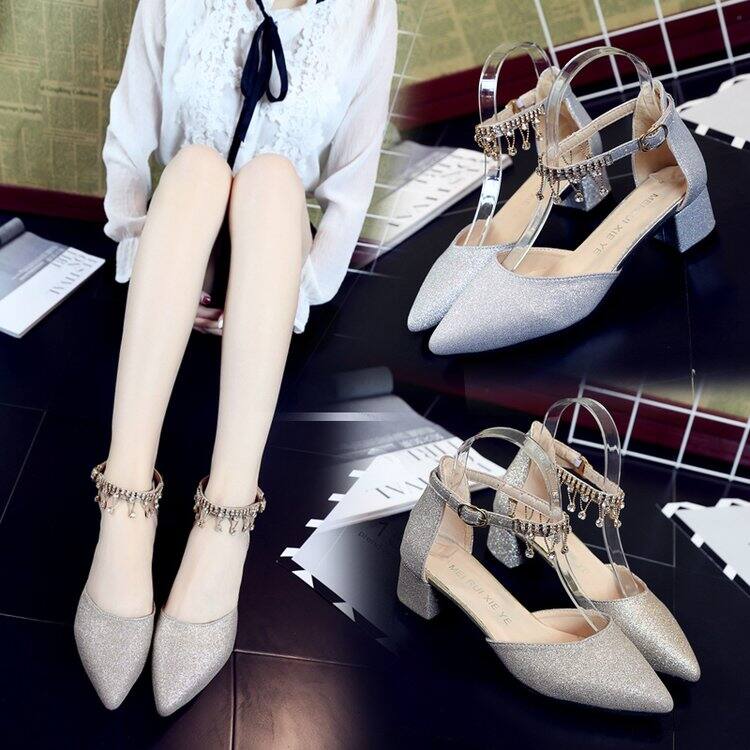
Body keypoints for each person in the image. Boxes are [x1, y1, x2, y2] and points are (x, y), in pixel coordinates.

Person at [74, 0, 397, 714]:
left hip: (273, 263)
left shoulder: (368, 13)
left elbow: (349, 193)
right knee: (194, 167)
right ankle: (124, 505)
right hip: (174, 255)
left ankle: (225, 520)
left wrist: (295, 293)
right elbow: (129, 137)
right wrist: (135, 243)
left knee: (275, 178)